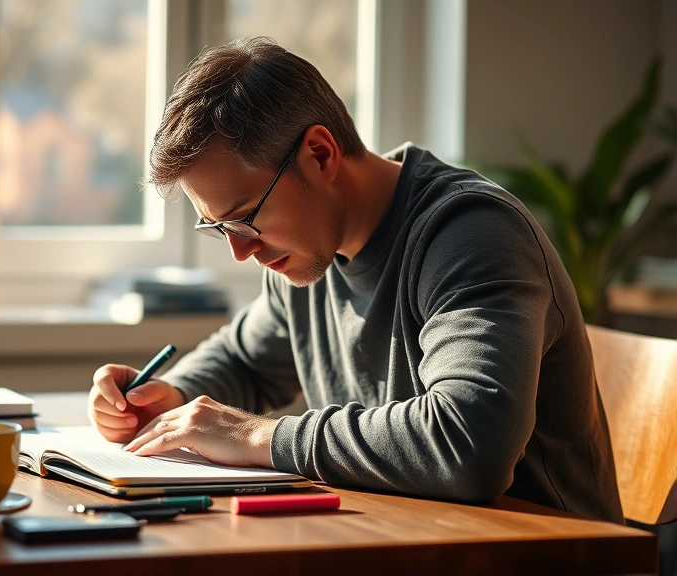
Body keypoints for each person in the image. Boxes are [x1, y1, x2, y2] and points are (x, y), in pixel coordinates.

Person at [86, 37, 623, 523]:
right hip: (406, 541)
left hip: (544, 553)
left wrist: (253, 435)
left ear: (320, 154)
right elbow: (245, 360)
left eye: (246, 215)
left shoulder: (471, 234)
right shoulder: (305, 252)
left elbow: (468, 445)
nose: (240, 249)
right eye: (218, 226)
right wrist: (168, 397)